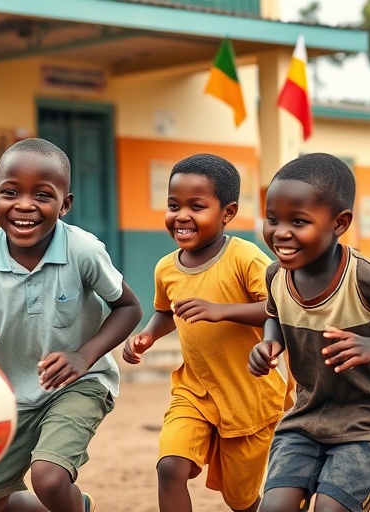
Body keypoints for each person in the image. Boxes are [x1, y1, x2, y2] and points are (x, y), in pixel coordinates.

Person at [0, 138, 143, 512]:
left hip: (81, 383)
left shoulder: (82, 250)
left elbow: (128, 307)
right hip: (10, 395)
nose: (24, 205)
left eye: (42, 195)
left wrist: (83, 357)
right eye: (11, 192)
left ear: (65, 204)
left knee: (49, 478)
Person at [249, 153, 370, 512]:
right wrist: (270, 342)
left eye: (298, 221)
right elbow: (274, 315)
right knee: (273, 506)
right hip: (306, 417)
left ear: (339, 223)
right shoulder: (276, 275)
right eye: (272, 219)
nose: (281, 232)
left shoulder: (365, 277)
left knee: (331, 507)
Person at [121, 153, 288, 512]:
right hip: (194, 390)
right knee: (170, 467)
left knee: (240, 500)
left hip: (248, 396)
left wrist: (221, 311)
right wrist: (148, 335)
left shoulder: (246, 257)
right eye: (173, 204)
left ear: (227, 213)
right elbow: (167, 312)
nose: (181, 215)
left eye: (196, 206)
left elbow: (280, 306)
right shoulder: (166, 267)